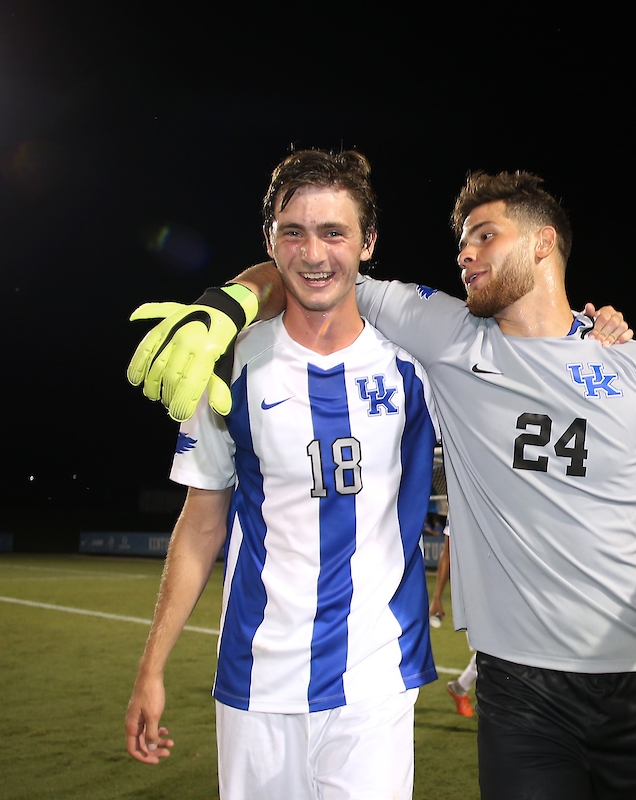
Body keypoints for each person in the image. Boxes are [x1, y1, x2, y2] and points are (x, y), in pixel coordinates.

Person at [130, 165, 636, 799]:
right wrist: (227, 302)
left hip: (619, 681)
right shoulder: (442, 342)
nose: (465, 255)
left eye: (485, 236)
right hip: (499, 690)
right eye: (462, 241)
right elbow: (311, 270)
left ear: (542, 242)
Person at [123, 151, 443, 799]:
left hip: (375, 675)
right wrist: (150, 668)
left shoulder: (418, 364)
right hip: (255, 676)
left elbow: (519, 347)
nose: (313, 252)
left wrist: (594, 330)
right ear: (270, 240)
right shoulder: (229, 364)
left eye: (334, 232)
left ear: (368, 242)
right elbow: (199, 526)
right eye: (293, 231)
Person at [428, 521, 478, 717]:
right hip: (473, 593)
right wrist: (437, 597)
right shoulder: (459, 503)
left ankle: (460, 687)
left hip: (499, 589)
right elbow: (447, 554)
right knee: (490, 654)